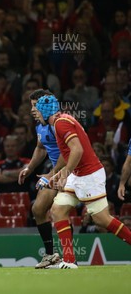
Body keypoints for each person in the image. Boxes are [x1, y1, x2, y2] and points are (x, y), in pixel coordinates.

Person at [36, 95, 131, 269]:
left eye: (36, 111)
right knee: (57, 210)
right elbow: (70, 153)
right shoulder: (61, 121)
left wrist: (65, 173)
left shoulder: (60, 123)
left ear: (44, 111)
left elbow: (77, 150)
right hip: (78, 174)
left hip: (89, 175)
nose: (35, 114)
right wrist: (59, 173)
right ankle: (70, 260)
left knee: (102, 219)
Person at [18, 89, 65, 269]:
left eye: (35, 106)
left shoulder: (57, 124)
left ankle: (69, 256)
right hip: (56, 173)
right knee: (38, 209)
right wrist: (30, 168)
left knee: (98, 217)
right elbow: (41, 148)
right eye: (32, 106)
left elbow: (68, 154)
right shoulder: (40, 125)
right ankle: (51, 255)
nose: (32, 110)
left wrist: (50, 175)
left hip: (73, 172)